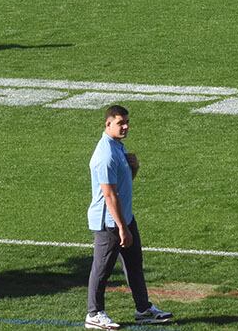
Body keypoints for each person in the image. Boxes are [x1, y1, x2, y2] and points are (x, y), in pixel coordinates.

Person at [85, 105, 173, 330]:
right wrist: (123, 228)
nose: (125, 127)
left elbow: (122, 185)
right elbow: (109, 195)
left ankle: (143, 309)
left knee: (134, 265)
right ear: (108, 124)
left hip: (124, 218)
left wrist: (132, 169)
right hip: (110, 223)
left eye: (126, 122)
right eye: (120, 123)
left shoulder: (116, 147)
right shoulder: (105, 154)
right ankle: (94, 313)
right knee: (102, 268)